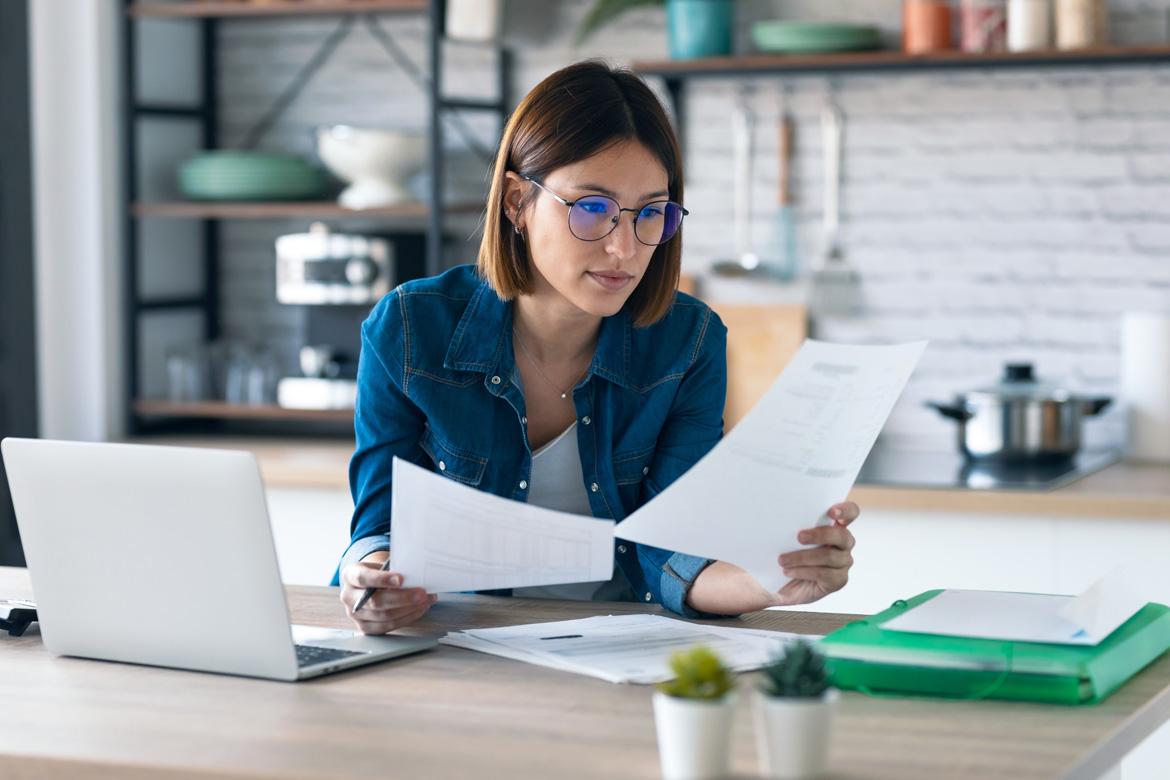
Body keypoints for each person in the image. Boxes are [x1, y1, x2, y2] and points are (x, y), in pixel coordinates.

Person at [333, 59, 859, 635]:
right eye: (592, 208)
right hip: (457, 642)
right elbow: (378, 530)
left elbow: (674, 555)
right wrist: (374, 581)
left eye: (651, 214)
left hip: (618, 644)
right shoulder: (410, 328)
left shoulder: (689, 341)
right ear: (515, 202)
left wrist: (773, 580)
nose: (625, 249)